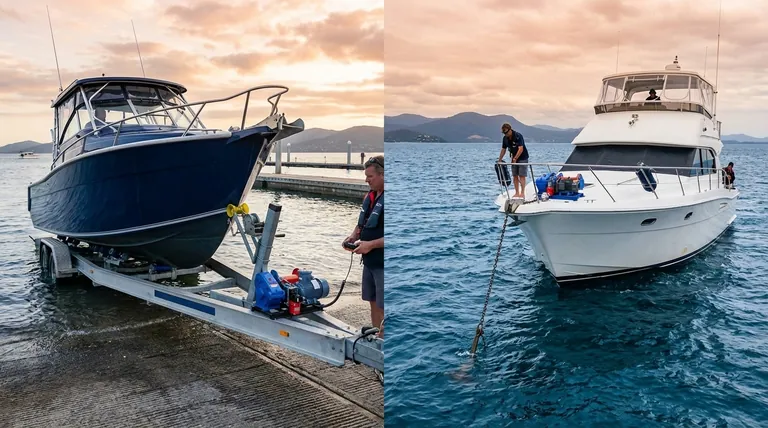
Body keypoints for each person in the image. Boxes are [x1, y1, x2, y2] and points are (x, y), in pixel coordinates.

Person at [343, 155, 384, 337]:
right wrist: (354, 236)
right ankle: (378, 340)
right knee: (373, 301)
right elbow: (364, 222)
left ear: (383, 175)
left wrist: (371, 245)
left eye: (370, 176)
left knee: (385, 306)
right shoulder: (371, 196)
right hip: (369, 262)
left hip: (384, 264)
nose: (366, 180)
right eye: (366, 176)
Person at [497, 122, 530, 199]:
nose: (505, 134)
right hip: (513, 157)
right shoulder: (505, 138)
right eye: (503, 133)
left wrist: (515, 158)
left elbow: (520, 148)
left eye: (506, 132)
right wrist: (500, 160)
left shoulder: (518, 136)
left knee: (522, 176)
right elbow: (503, 149)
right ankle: (517, 192)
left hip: (522, 158)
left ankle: (522, 193)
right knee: (515, 175)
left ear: (510, 130)